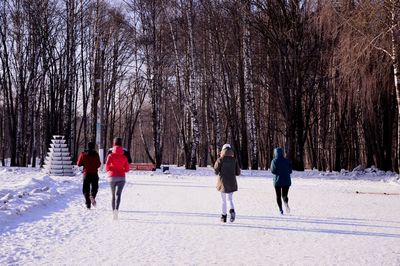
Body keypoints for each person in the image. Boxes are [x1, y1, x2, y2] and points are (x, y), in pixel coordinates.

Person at [214, 144, 241, 223]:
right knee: (230, 199)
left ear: (222, 151)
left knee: (223, 200)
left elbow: (215, 171)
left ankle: (224, 216)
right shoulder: (234, 160)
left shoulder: (220, 159)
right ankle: (232, 210)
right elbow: (238, 172)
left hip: (222, 182)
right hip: (232, 181)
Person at [105, 137, 130, 220]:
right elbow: (127, 169)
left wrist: (110, 169)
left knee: (113, 195)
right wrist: (122, 169)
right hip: (121, 177)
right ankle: (116, 211)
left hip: (112, 177)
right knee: (118, 195)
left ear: (114, 144)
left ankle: (113, 212)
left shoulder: (110, 155)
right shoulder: (124, 156)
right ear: (121, 144)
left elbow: (107, 167)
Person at [77, 141, 101, 209]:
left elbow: (78, 164)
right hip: (94, 174)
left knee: (85, 189)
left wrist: (83, 163)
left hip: (86, 174)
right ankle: (92, 196)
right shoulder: (96, 154)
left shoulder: (83, 154)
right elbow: (99, 164)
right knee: (95, 188)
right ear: (93, 147)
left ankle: (88, 203)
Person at [270, 147, 292, 215]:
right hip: (286, 181)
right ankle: (286, 202)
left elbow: (273, 171)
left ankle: (280, 209)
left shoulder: (274, 161)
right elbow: (290, 171)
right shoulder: (287, 161)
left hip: (277, 181)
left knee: (278, 196)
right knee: (284, 195)